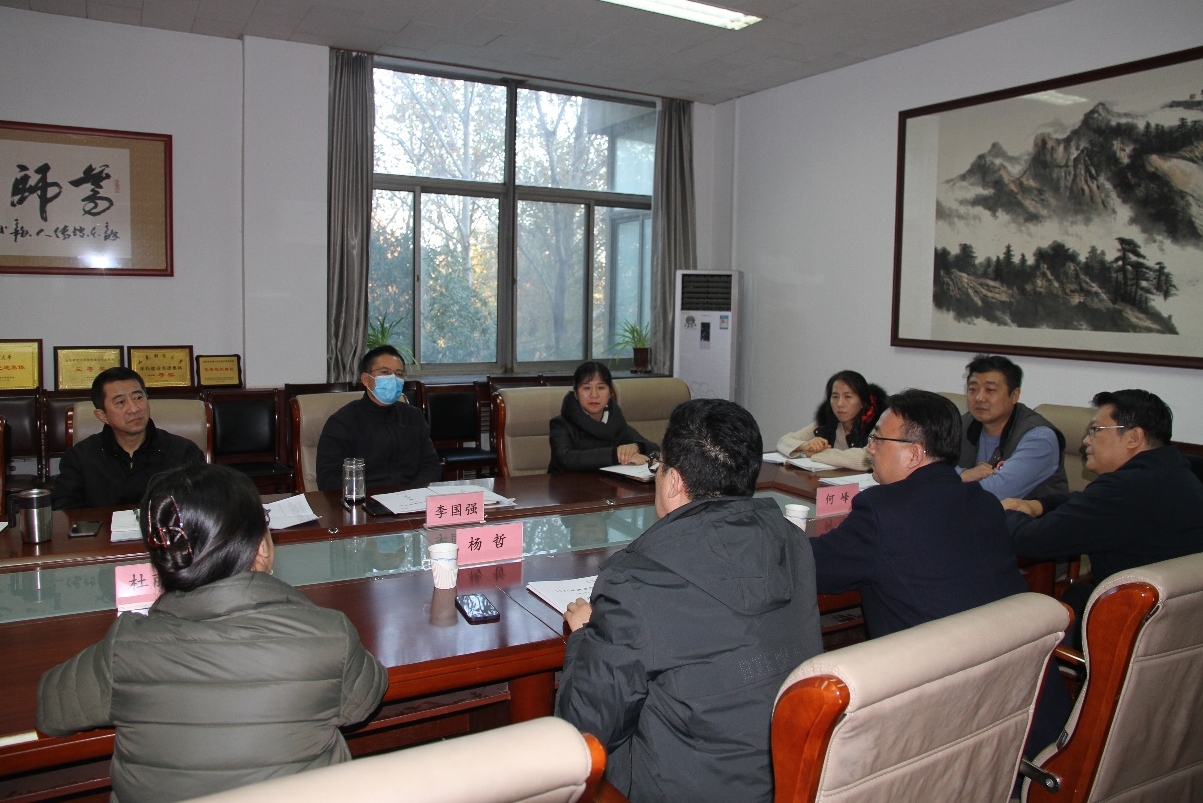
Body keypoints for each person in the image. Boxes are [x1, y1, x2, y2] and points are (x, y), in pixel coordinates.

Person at [36, 464, 388, 803]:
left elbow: (50, 709)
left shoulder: (124, 648)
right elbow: (363, 701)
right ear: (262, 548)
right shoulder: (328, 637)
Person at [555, 399, 822, 803]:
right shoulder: (793, 542)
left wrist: (586, 636)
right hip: (791, 779)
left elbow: (583, 728)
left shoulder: (637, 579)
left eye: (658, 465)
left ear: (673, 482)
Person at [810, 389, 1068, 755]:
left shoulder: (883, 511)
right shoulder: (983, 502)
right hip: (1027, 704)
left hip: (948, 719)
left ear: (914, 453)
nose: (870, 449)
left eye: (878, 440)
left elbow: (815, 568)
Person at [1005, 390, 1203, 644]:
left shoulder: (1123, 491)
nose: (1086, 441)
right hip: (1181, 627)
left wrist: (1005, 512)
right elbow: (1086, 502)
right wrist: (1038, 505)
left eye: (1095, 430)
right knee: (1076, 595)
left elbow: (1030, 541)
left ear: (1134, 437)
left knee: (1029, 622)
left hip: (1129, 634)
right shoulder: (1175, 472)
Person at [51, 367, 205, 510]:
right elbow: (66, 513)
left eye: (138, 397)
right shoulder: (79, 458)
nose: (134, 408)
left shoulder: (184, 452)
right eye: (120, 402)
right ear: (102, 415)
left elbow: (202, 508)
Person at [316, 345, 441, 492]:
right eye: (385, 372)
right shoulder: (342, 422)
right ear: (366, 379)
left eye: (399, 374)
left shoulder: (413, 416)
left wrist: (413, 492)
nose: (393, 379)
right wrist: (372, 496)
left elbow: (431, 464)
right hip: (366, 500)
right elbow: (328, 479)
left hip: (412, 497)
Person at [956, 354, 1068, 499]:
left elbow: (994, 493)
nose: (979, 398)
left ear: (1014, 395)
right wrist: (963, 474)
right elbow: (928, 468)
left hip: (1022, 514)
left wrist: (947, 481)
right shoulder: (962, 424)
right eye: (972, 389)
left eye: (990, 390)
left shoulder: (1040, 438)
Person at [548, 361, 657, 472]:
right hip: (566, 482)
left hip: (606, 481)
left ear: (610, 393)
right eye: (586, 388)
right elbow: (566, 458)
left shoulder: (615, 422)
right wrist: (616, 455)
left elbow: (655, 448)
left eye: (601, 388)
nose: (594, 395)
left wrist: (636, 447)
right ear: (576, 393)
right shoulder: (561, 424)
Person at [776, 370, 886, 470]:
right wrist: (806, 446)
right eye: (835, 397)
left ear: (863, 402)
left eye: (848, 397)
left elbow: (866, 459)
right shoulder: (828, 421)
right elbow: (784, 441)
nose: (840, 404)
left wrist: (817, 454)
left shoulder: (877, 424)